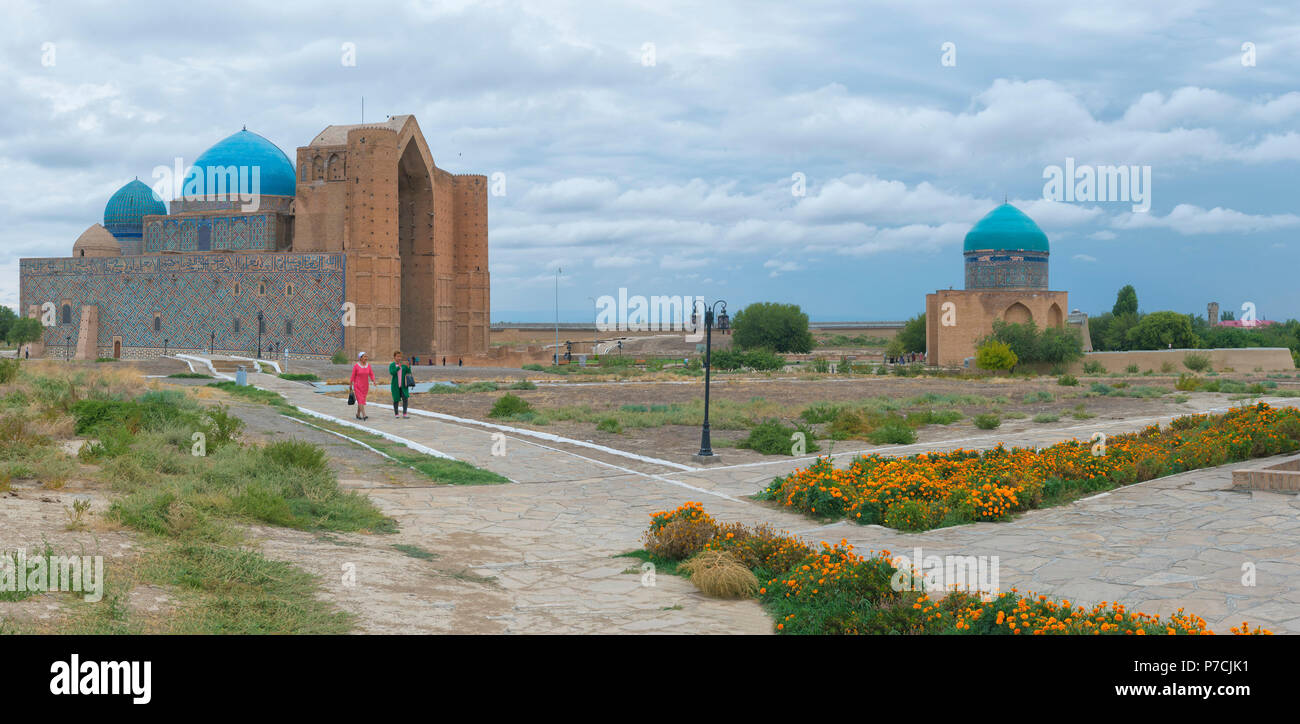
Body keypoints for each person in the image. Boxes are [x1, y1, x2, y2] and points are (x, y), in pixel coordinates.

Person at [350, 351, 376, 420]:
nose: (366, 358)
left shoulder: (368, 366)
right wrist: (350, 384)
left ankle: (358, 414)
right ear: (360, 358)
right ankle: (364, 415)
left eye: (366, 356)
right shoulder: (356, 366)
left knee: (361, 400)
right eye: (364, 356)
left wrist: (373, 380)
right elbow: (352, 376)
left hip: (365, 386)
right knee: (360, 400)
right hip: (357, 385)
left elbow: (371, 374)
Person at [389, 350, 412, 419]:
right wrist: (398, 367)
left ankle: (404, 414)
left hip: (403, 386)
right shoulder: (392, 365)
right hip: (395, 386)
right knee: (396, 399)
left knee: (405, 398)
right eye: (397, 356)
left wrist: (408, 367)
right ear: (394, 357)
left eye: (400, 356)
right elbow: (392, 373)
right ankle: (396, 414)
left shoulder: (403, 365)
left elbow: (409, 372)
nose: (399, 358)